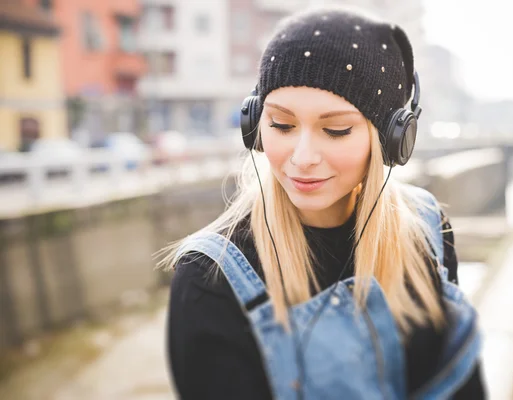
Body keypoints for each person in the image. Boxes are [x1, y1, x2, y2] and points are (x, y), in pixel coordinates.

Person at [163, 6, 486, 400]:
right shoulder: (208, 280)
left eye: (335, 130)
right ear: (254, 126)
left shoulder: (427, 225)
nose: (302, 157)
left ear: (390, 138)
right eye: (281, 125)